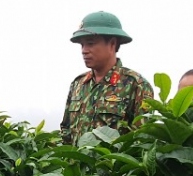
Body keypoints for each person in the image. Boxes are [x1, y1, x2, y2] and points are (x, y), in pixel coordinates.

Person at [60, 11, 153, 145]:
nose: (84, 50)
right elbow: (66, 130)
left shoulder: (136, 85)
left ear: (112, 44)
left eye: (90, 43)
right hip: (77, 164)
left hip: (111, 165)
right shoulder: (78, 84)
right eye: (82, 45)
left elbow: (142, 138)